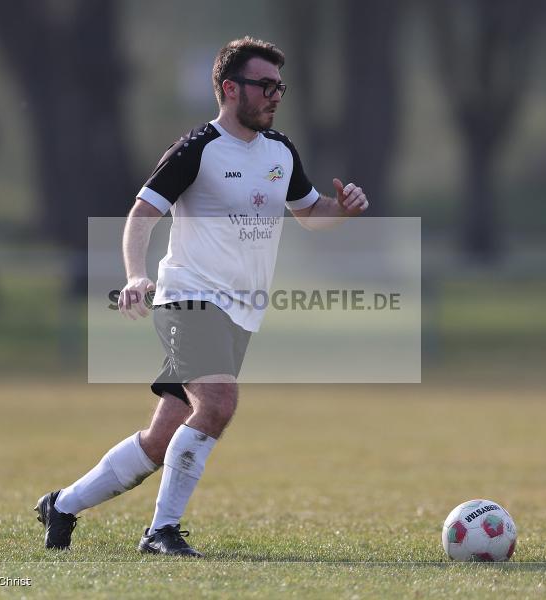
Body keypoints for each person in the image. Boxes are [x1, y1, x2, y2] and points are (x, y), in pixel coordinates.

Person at [35, 36, 369, 557]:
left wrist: (342, 208)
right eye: (265, 85)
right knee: (217, 404)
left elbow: (310, 214)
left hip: (239, 313)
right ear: (230, 89)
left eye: (280, 86)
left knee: (160, 440)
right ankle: (160, 532)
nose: (276, 95)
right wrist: (134, 276)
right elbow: (141, 216)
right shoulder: (198, 149)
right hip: (188, 299)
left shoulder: (280, 151)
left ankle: (62, 504)